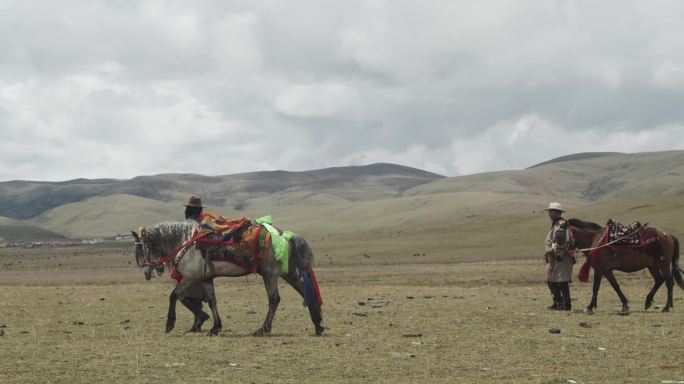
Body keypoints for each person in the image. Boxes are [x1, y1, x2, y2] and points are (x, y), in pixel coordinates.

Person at [543, 202, 574, 311]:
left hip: (561, 256)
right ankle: (558, 302)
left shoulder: (562, 224)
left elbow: (563, 241)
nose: (549, 214)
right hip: (554, 257)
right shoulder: (556, 224)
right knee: (552, 280)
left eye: (551, 212)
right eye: (549, 212)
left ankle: (565, 304)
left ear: (557, 213)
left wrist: (552, 250)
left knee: (562, 281)